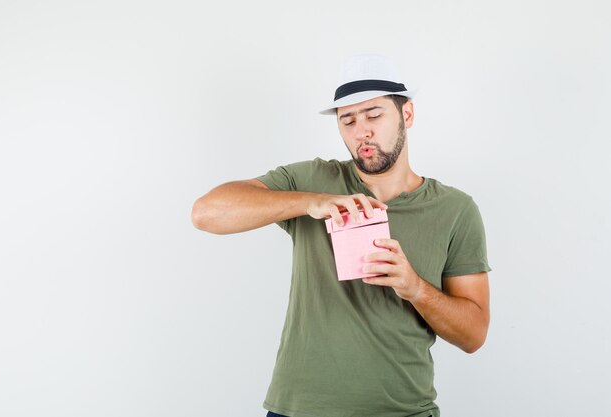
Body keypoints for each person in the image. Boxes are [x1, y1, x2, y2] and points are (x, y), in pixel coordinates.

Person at [191, 55, 491, 417]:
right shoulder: (313, 180)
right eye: (347, 120)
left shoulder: (455, 210)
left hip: (403, 411)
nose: (361, 131)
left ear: (407, 115)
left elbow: (473, 335)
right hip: (299, 410)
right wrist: (312, 202)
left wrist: (415, 288)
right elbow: (206, 213)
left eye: (374, 115)